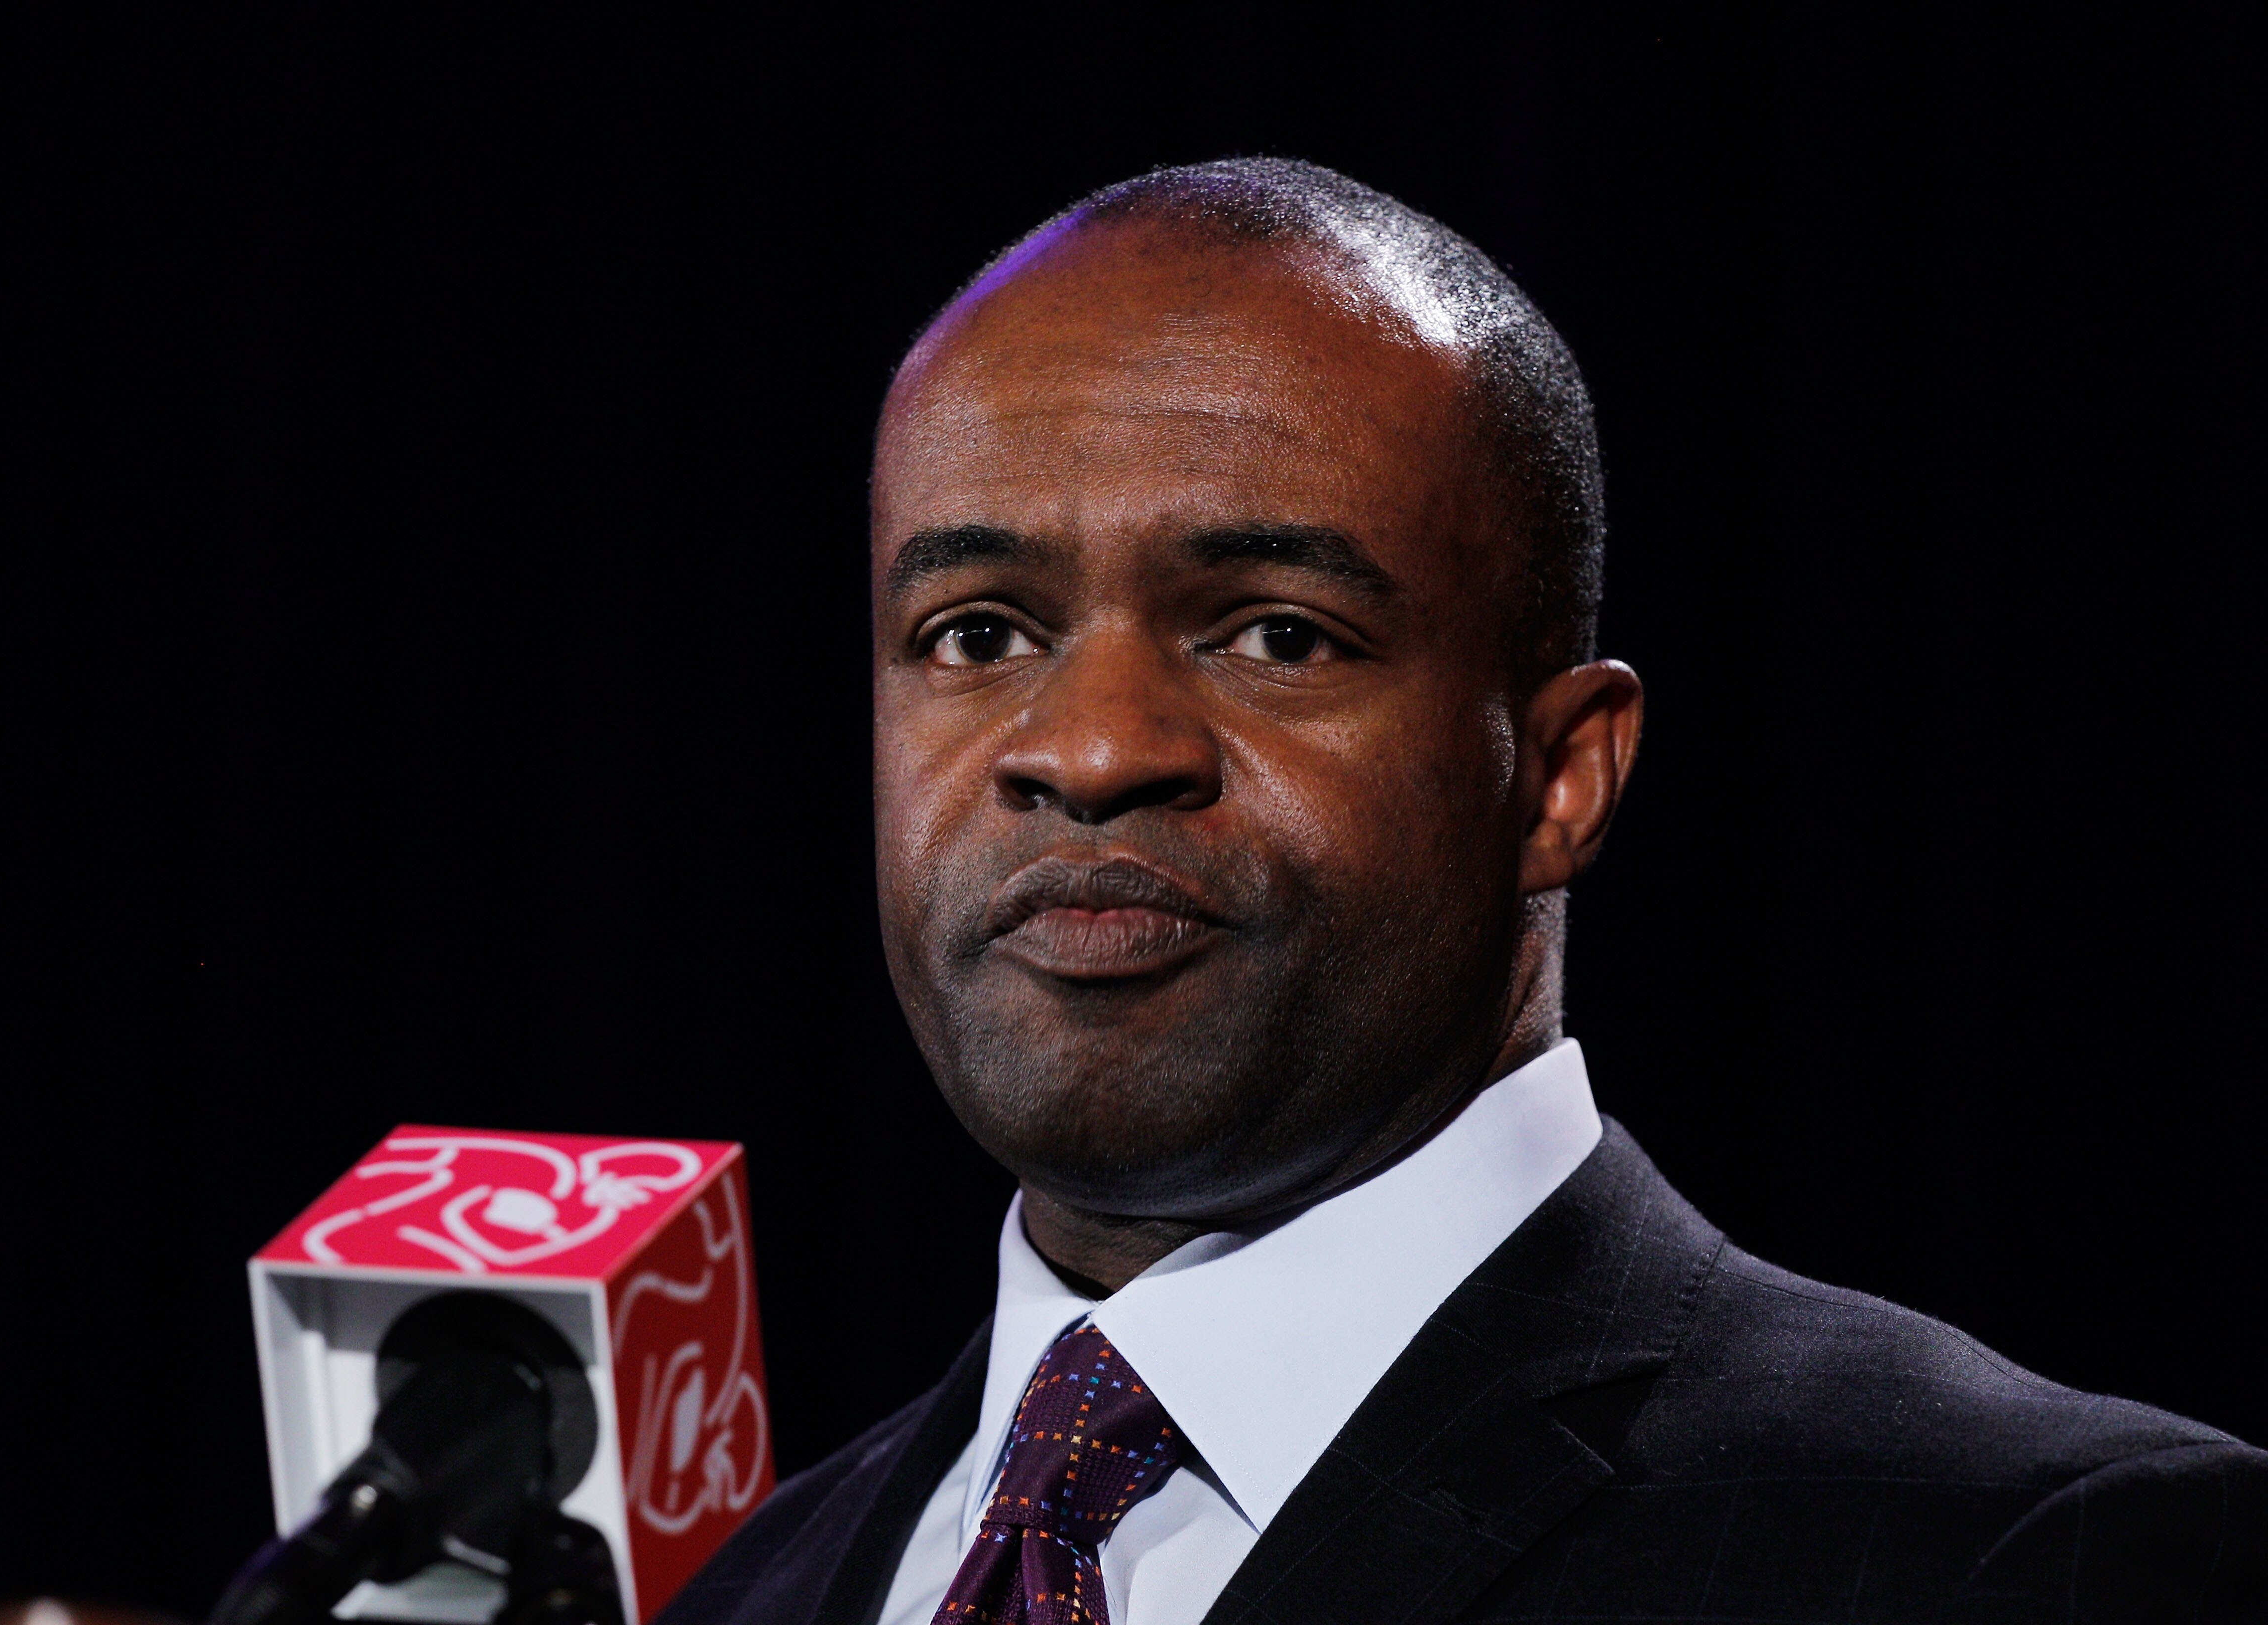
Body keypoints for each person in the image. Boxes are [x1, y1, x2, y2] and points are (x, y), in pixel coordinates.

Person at [665, 159, 2263, 1624]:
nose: (1087, 751)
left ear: (1561, 775)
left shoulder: (2021, 1559)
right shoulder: (753, 1591)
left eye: (1275, 633)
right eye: (978, 634)